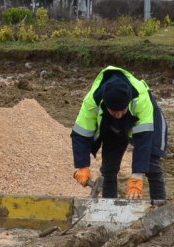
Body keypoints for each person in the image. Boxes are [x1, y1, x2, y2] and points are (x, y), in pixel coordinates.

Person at [71, 66, 168, 202]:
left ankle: (161, 209)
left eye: (121, 110)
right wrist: (82, 166)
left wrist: (137, 176)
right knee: (108, 169)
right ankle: (109, 209)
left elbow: (143, 140)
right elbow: (80, 133)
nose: (118, 115)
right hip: (109, 122)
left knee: (152, 161)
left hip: (146, 118)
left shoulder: (141, 100)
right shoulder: (91, 102)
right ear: (106, 104)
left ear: (128, 101)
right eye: (114, 111)